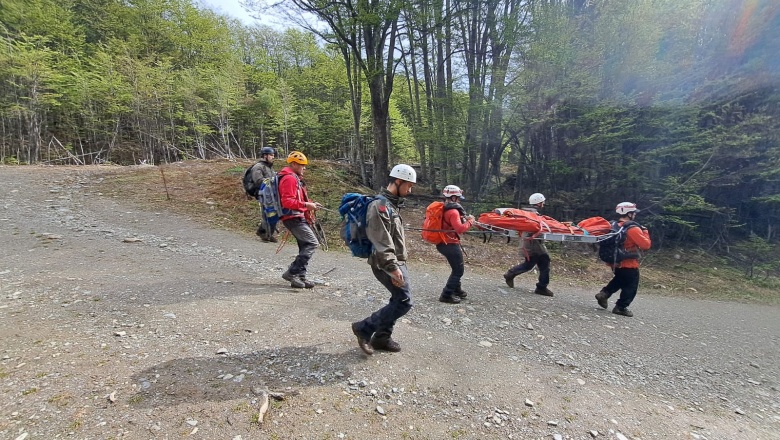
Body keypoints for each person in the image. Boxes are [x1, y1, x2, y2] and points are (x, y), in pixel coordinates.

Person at [351, 164, 417, 355]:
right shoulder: (380, 206)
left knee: (398, 299)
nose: (410, 190)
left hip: (394, 261)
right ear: (398, 181)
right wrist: (392, 267)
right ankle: (364, 328)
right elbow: (381, 241)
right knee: (404, 301)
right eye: (408, 186)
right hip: (385, 263)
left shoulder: (391, 205)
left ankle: (381, 338)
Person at [595, 202, 652, 317]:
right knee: (631, 285)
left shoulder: (613, 225)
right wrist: (645, 232)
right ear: (629, 214)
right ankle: (621, 307)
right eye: (633, 213)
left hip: (615, 261)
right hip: (629, 262)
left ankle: (604, 294)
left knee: (620, 279)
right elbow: (646, 245)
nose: (635, 215)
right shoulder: (632, 228)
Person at [278, 151, 323, 289]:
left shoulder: (294, 178)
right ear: (293, 164)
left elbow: (298, 199)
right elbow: (287, 202)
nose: (304, 168)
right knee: (312, 243)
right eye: (302, 165)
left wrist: (311, 205)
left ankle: (300, 277)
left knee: (304, 245)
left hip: (297, 216)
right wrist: (306, 205)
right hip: (292, 217)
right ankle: (292, 272)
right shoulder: (289, 178)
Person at [502, 193, 554, 296]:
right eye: (542, 202)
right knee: (540, 261)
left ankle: (541, 286)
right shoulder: (533, 215)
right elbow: (537, 228)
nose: (543, 203)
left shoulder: (526, 213)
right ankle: (541, 287)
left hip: (530, 242)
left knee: (535, 263)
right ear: (539, 202)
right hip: (533, 243)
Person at [436, 185, 476, 304]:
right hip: (449, 244)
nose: (459, 200)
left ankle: (456, 289)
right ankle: (446, 294)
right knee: (458, 270)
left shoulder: (444, 208)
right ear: (453, 198)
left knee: (456, 267)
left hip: (443, 243)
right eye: (458, 198)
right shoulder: (453, 211)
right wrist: (470, 221)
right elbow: (460, 229)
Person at [250, 147, 278, 242]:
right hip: (263, 194)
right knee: (267, 214)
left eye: (273, 155)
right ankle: (264, 233)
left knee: (274, 214)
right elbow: (258, 181)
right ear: (265, 155)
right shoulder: (258, 167)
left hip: (271, 194)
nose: (273, 157)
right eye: (271, 155)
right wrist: (272, 180)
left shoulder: (269, 167)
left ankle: (267, 233)